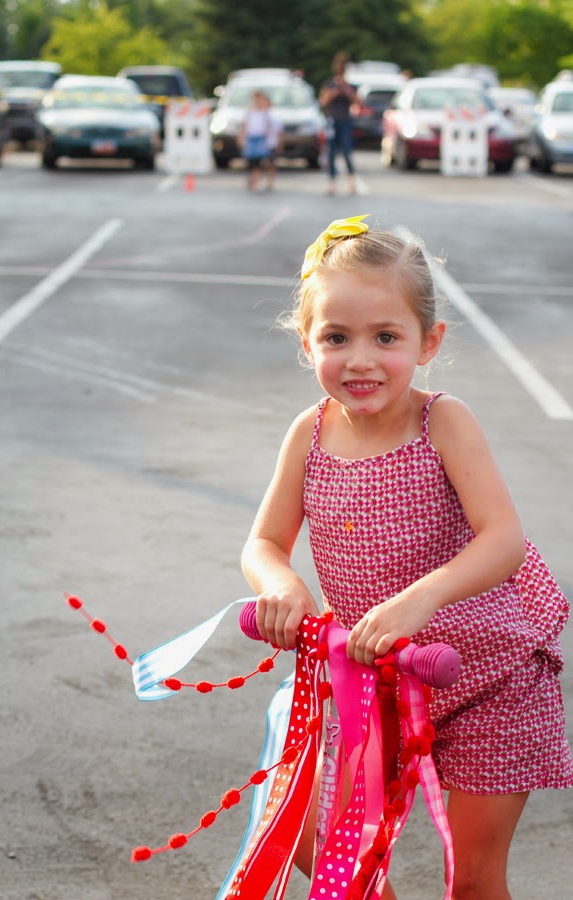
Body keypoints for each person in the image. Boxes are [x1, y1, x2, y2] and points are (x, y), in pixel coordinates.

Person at [241, 215, 573, 899]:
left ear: (429, 341)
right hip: (375, 682)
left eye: (386, 337)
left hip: (489, 681)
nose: (360, 359)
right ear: (308, 342)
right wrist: (282, 584)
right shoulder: (308, 435)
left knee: (473, 880)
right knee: (315, 840)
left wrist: (420, 598)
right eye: (337, 337)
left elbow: (503, 540)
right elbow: (264, 542)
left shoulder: (442, 422)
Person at [319, 53, 358, 195]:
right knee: (331, 152)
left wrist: (347, 91)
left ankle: (351, 180)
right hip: (332, 120)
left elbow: (358, 102)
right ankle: (332, 182)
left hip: (346, 121)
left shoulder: (350, 85)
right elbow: (322, 102)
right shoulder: (329, 83)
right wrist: (334, 93)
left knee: (347, 151)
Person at [237, 89, 281, 192]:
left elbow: (269, 127)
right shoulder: (249, 111)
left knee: (260, 162)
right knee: (251, 162)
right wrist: (242, 138)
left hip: (261, 139)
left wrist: (270, 140)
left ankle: (257, 181)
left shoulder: (265, 112)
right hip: (251, 139)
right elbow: (244, 125)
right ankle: (252, 180)